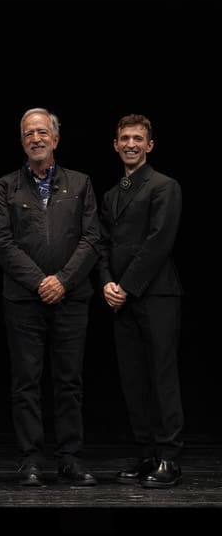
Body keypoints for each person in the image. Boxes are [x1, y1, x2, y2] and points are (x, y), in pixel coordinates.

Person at [0, 108, 100, 487]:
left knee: (69, 382)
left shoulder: (81, 183)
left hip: (72, 297)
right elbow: (1, 243)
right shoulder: (5, 186)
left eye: (42, 132)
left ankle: (70, 457)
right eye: (28, 134)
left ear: (55, 139)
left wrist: (63, 281)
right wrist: (40, 282)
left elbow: (91, 239)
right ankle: (30, 459)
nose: (35, 139)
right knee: (26, 382)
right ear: (22, 141)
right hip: (23, 299)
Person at [98, 114, 184, 488]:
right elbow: (101, 245)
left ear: (149, 146)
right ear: (115, 145)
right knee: (133, 380)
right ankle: (146, 454)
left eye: (137, 138)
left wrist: (125, 287)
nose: (130, 144)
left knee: (160, 376)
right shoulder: (112, 194)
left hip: (156, 294)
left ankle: (169, 458)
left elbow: (158, 242)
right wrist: (106, 284)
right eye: (124, 138)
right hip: (121, 297)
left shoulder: (165, 186)